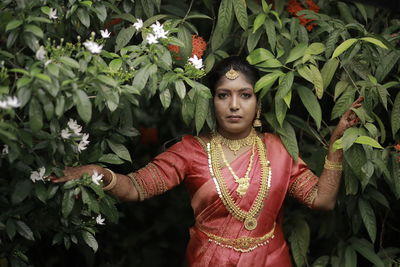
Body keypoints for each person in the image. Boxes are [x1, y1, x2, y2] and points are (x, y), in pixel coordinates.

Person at [51, 56, 363, 266]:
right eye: (223, 95)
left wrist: (337, 144)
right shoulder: (191, 151)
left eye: (245, 95)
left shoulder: (278, 150)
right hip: (210, 260)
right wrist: (99, 173)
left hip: (271, 259)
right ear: (212, 102)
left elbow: (321, 200)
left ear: (259, 103)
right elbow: (137, 187)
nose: (234, 105)